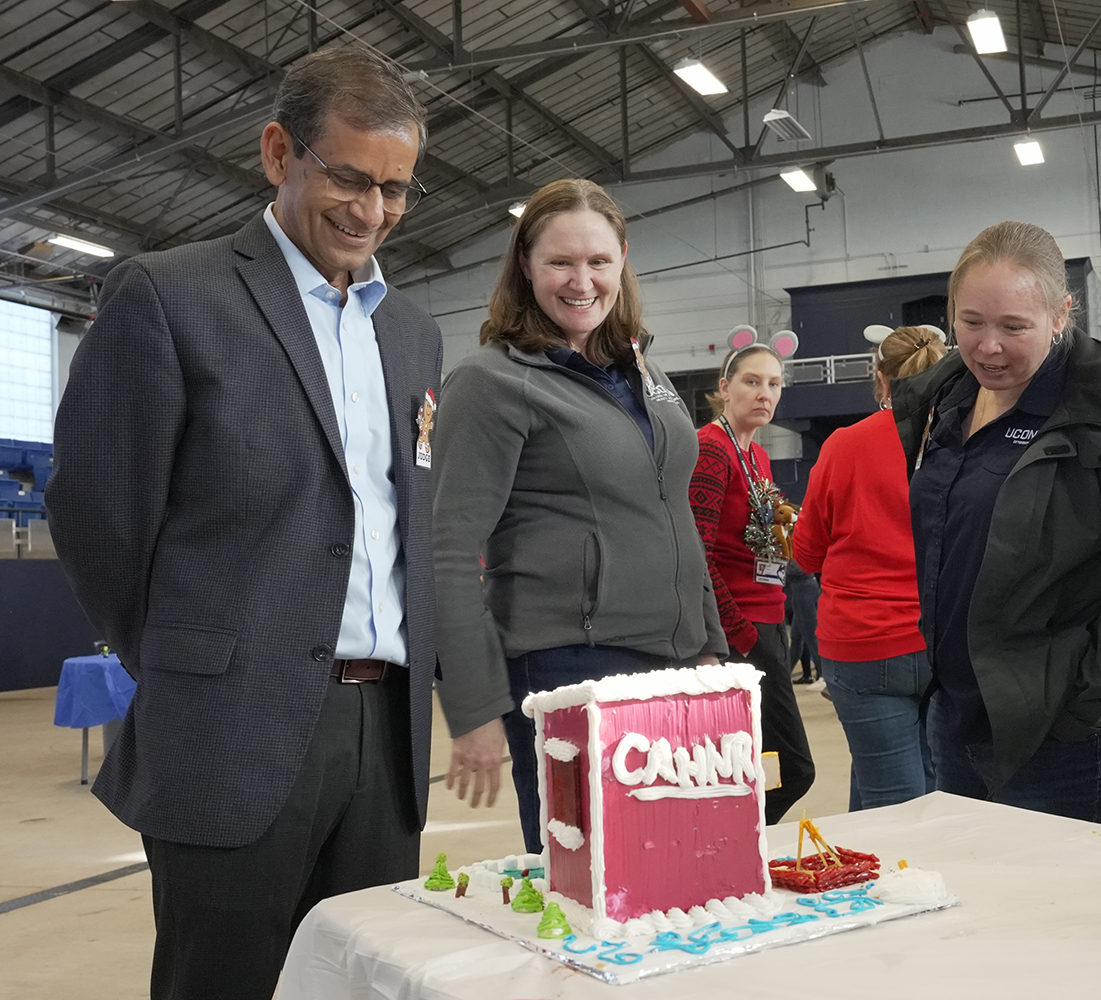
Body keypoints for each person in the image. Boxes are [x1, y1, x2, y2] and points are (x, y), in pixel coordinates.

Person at [45, 49, 440, 1000]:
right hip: (231, 722)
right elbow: (98, 514)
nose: (371, 210)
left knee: (364, 983)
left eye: (394, 188)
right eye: (349, 177)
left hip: (384, 735)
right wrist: (187, 655)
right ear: (278, 152)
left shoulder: (413, 333)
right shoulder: (171, 296)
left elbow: (403, 523)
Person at [430, 178, 728, 855]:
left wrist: (708, 642)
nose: (581, 280)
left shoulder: (642, 375)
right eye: (560, 262)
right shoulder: (492, 382)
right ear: (526, 266)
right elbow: (447, 549)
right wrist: (475, 708)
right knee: (595, 880)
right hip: (568, 667)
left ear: (622, 258)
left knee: (682, 869)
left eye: (598, 261)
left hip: (675, 662)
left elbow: (673, 512)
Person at [892, 221, 1101, 828]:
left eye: (1014, 327)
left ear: (1061, 314)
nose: (988, 347)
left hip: (1064, 735)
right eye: (971, 321)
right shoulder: (943, 403)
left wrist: (1084, 701)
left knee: (1058, 916)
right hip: (957, 715)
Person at [795, 324, 947, 810]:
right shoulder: (964, 442)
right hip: (943, 638)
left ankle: (890, 884)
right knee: (918, 779)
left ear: (881, 380)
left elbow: (806, 554)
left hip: (863, 643)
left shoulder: (846, 445)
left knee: (894, 799)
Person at [690, 344, 815, 823]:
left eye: (774, 384)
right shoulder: (710, 449)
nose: (765, 394)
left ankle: (733, 850)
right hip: (740, 633)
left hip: (768, 622)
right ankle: (729, 842)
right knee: (794, 769)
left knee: (760, 767)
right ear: (724, 388)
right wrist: (734, 632)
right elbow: (697, 556)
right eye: (752, 381)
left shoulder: (757, 454)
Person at [784, 558, 822, 684]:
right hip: (801, 590)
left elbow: (801, 568)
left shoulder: (795, 545)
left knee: (811, 636)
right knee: (796, 637)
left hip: (804, 590)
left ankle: (823, 676)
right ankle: (784, 674)